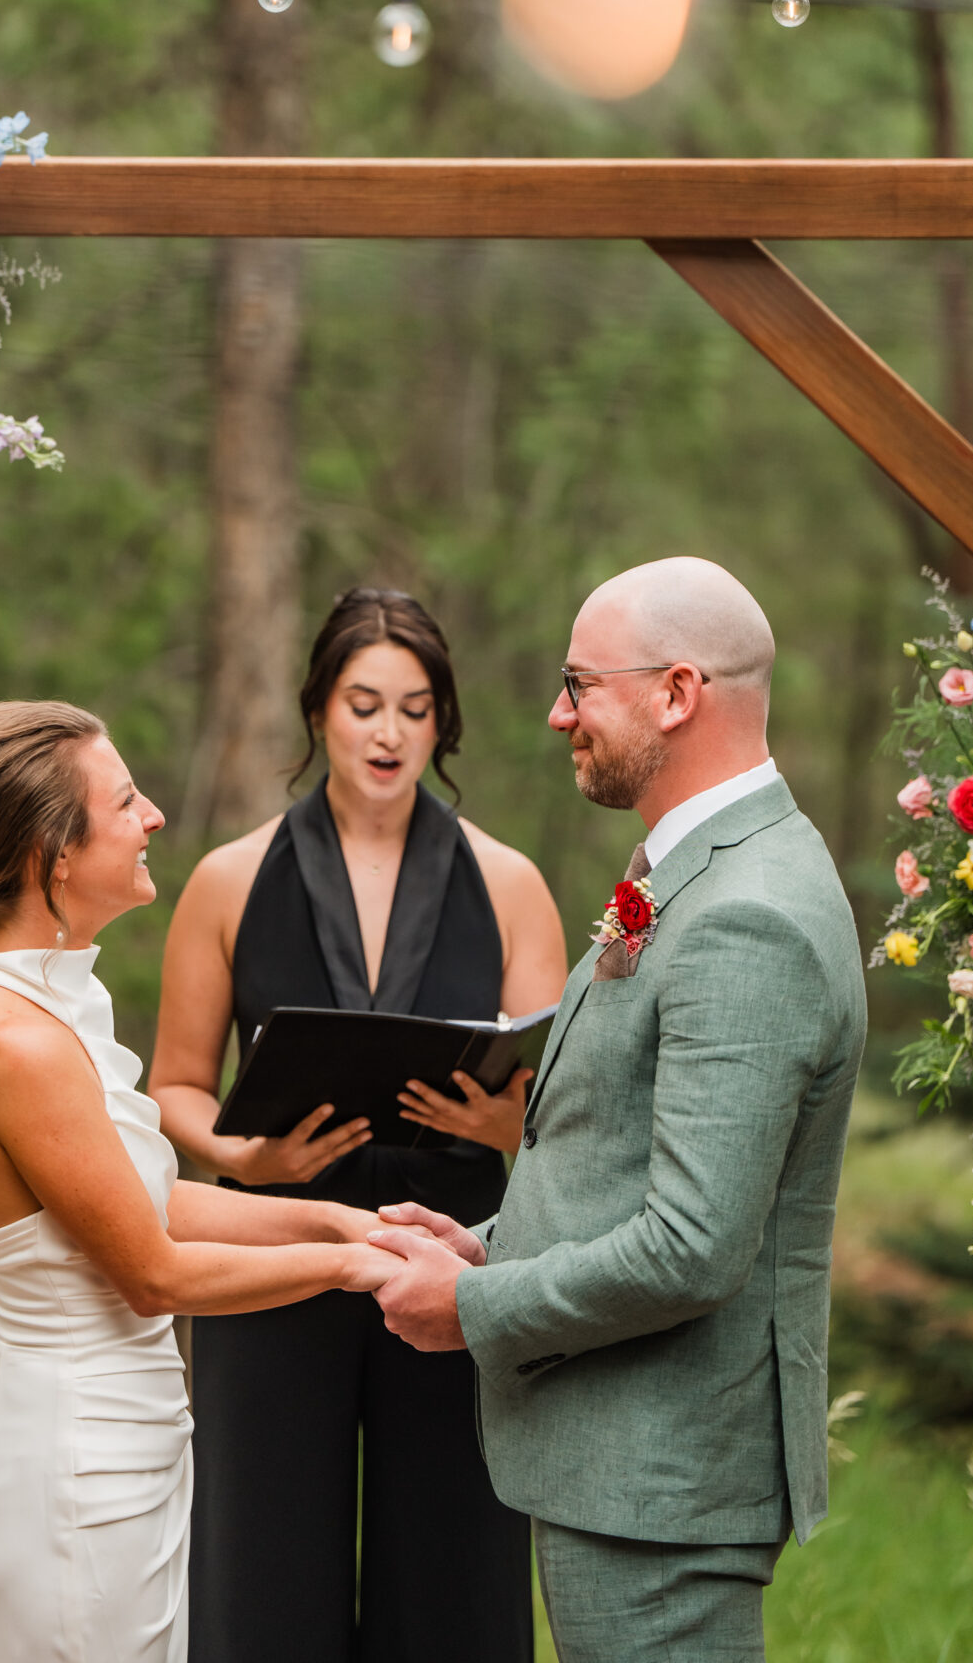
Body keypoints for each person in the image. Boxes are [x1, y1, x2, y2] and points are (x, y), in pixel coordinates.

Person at [0, 699, 402, 1663]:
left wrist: (341, 1222)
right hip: (72, 1475)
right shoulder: (17, 1042)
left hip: (125, 1452)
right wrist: (350, 1274)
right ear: (56, 856)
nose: (154, 814)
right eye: (125, 802)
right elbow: (154, 1274)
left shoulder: (57, 1001)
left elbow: (151, 1199)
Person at [369, 557, 867, 1663]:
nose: (558, 713)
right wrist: (485, 1244)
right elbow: (629, 1160)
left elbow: (693, 1244)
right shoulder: (701, 871)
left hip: (665, 1483)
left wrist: (475, 1305)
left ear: (676, 692)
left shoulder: (750, 915)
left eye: (579, 683)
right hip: (629, 1470)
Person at [150, 588, 566, 1663]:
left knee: (457, 1563)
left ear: (446, 723)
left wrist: (506, 1123)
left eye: (417, 709)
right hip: (277, 1250)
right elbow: (176, 1086)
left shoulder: (513, 883)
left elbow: (567, 1099)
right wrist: (244, 1153)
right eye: (365, 703)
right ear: (318, 710)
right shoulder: (227, 879)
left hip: (460, 1253)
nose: (390, 733)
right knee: (262, 1558)